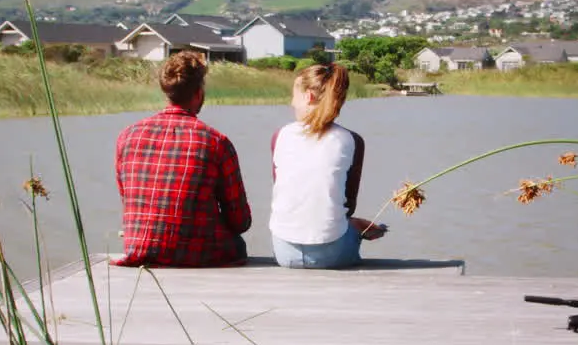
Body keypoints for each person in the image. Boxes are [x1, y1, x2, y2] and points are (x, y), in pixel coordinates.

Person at [114, 51, 251, 267]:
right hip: (197, 254)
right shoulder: (216, 142)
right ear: (198, 92)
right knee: (238, 244)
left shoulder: (127, 136)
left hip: (140, 250)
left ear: (166, 91)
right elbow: (240, 220)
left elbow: (127, 198)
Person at [270, 62, 386, 268]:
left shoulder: (280, 136)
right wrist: (351, 222)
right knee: (349, 225)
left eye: (293, 96)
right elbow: (348, 206)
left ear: (309, 96)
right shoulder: (351, 140)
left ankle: (353, 227)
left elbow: (286, 195)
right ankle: (358, 228)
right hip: (331, 255)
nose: (291, 103)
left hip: (283, 252)